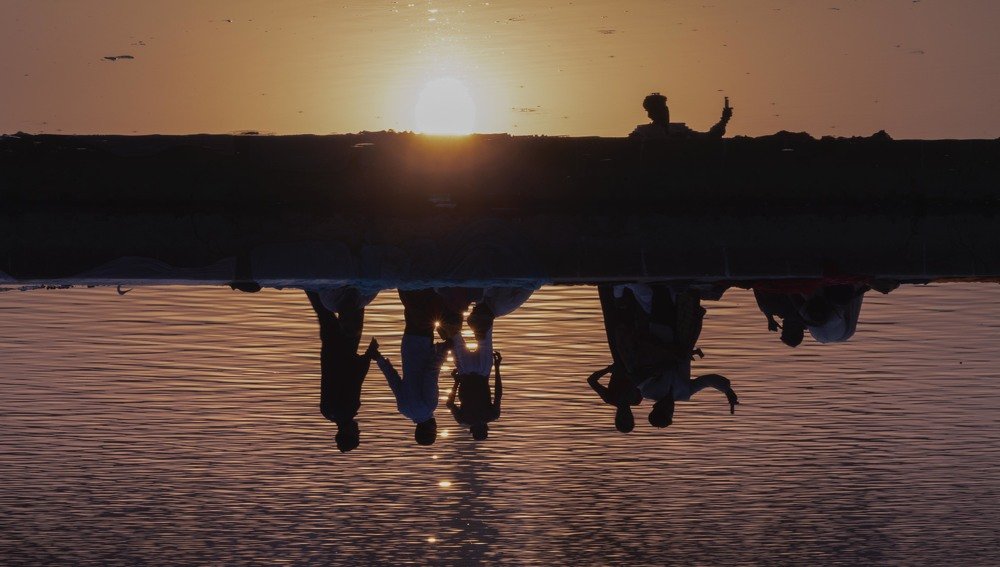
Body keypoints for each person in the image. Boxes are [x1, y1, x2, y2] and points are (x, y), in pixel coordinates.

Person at [370, 289, 461, 446]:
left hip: (422, 345)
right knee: (411, 311)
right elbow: (393, 380)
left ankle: (412, 280)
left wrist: (444, 351)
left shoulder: (429, 406)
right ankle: (405, 284)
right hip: (408, 346)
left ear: (432, 428)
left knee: (427, 304)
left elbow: (430, 374)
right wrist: (378, 358)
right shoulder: (404, 408)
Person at [306, 287, 380, 453]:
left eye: (357, 434)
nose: (359, 431)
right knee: (322, 311)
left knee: (355, 302)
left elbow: (355, 377)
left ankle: (351, 273)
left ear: (347, 433)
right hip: (329, 348)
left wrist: (370, 353)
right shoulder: (326, 411)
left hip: (347, 344)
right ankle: (308, 281)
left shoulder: (349, 408)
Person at [447, 350, 503, 440]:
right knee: (454, 338)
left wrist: (496, 367)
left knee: (484, 336)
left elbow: (498, 393)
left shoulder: (493, 415)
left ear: (486, 429)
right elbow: (449, 404)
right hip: (464, 371)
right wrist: (457, 381)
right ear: (472, 430)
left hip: (483, 370)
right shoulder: (462, 419)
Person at [629, 92, 733, 140]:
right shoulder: (643, 131)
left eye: (666, 107)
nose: (666, 111)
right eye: (661, 108)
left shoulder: (679, 129)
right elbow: (631, 143)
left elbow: (708, 137)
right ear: (650, 113)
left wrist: (724, 120)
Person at [587, 363, 642, 433]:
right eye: (629, 418)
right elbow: (643, 381)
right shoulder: (636, 400)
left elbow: (591, 380)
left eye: (624, 418)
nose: (626, 414)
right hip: (637, 365)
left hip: (621, 363)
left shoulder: (610, 398)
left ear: (617, 418)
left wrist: (608, 370)